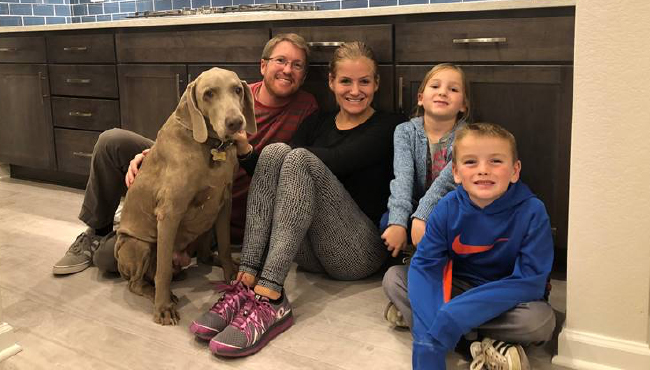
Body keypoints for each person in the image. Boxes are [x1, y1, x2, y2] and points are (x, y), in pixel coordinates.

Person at [189, 41, 404, 357]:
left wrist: (283, 158)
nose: (355, 90)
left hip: (358, 254)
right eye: (345, 81)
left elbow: (340, 158)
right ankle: (247, 280)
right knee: (277, 152)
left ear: (377, 84)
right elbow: (275, 168)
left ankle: (271, 295)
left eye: (364, 82)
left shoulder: (389, 125)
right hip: (308, 254)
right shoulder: (316, 121)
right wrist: (248, 151)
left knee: (295, 157)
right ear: (331, 82)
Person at [52, 33, 318, 276]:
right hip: (188, 170)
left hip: (217, 205)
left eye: (297, 65)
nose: (287, 70)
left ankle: (140, 223)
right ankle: (96, 231)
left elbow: (285, 177)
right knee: (112, 142)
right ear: (263, 65)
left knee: (109, 260)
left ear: (304, 76)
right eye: (280, 60)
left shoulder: (306, 109)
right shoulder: (236, 89)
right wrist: (154, 155)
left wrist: (245, 150)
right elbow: (183, 131)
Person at [406, 123, 555, 370]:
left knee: (540, 321)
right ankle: (484, 342)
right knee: (395, 280)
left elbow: (530, 281)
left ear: (515, 170)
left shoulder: (532, 211)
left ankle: (456, 333)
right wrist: (426, 343)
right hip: (458, 287)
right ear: (455, 172)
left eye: (496, 161)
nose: (483, 170)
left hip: (506, 296)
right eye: (471, 162)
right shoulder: (446, 207)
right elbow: (425, 267)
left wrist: (454, 316)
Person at [380, 63, 469, 327]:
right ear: (421, 97)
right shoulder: (405, 131)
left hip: (452, 209)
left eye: (453, 89)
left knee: (451, 229)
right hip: (415, 206)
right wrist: (399, 221)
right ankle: (413, 272)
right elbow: (403, 178)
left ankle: (436, 283)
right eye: (435, 86)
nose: (443, 93)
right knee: (387, 223)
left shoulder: (466, 135)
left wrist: (422, 216)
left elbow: (448, 184)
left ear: (463, 104)